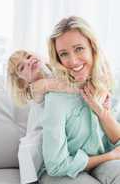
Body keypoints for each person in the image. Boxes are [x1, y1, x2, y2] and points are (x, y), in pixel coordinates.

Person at [40, 16, 120, 184]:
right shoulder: (56, 98)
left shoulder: (108, 83)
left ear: (92, 46)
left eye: (79, 49)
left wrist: (101, 112)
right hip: (62, 171)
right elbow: (56, 166)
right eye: (64, 54)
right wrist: (109, 156)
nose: (73, 61)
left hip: (102, 162)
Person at [7, 50, 78, 184]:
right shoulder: (36, 87)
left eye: (28, 57)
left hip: (60, 128)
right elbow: (71, 87)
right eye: (22, 67)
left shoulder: (55, 72)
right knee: (27, 150)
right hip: (41, 134)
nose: (28, 62)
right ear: (23, 82)